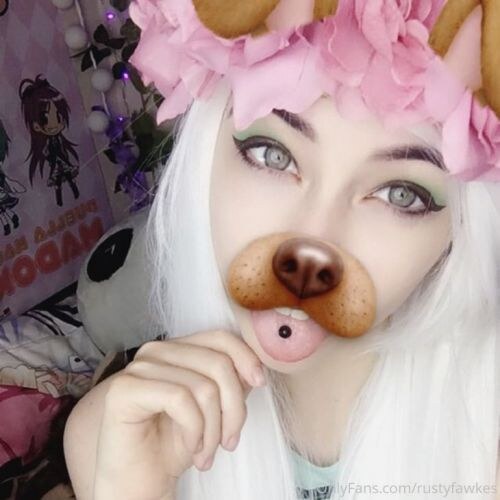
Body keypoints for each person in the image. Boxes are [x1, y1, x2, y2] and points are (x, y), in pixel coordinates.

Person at [64, 1, 500, 499]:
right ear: (206, 153)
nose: (309, 251)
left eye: (401, 194)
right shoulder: (111, 441)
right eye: (271, 155)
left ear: (459, 232)